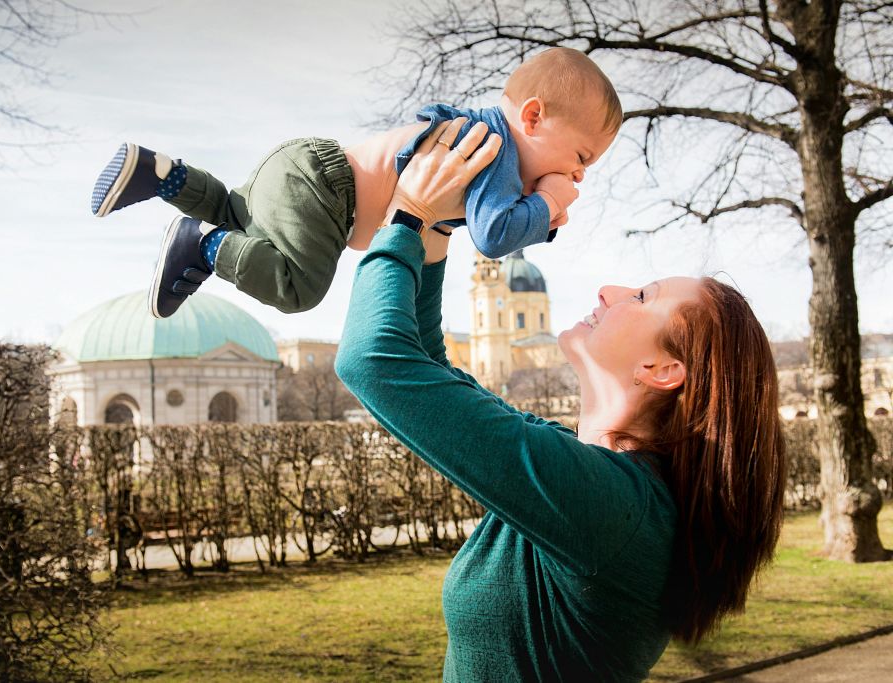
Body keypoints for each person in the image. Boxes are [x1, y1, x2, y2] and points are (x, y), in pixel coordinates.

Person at [334, 117, 787, 682]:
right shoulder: (592, 478)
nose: (609, 291)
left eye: (641, 297)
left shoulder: (610, 507)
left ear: (663, 370)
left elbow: (375, 361)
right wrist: (440, 224)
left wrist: (407, 214)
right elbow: (425, 363)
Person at [88, 47, 619, 318]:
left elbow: (454, 229)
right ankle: (202, 246)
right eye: (581, 156)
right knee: (297, 289)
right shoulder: (493, 149)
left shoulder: (479, 143)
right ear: (532, 117)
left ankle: (164, 176)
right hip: (326, 194)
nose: (579, 173)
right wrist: (546, 204)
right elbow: (494, 236)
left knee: (238, 217)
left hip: (305, 170)